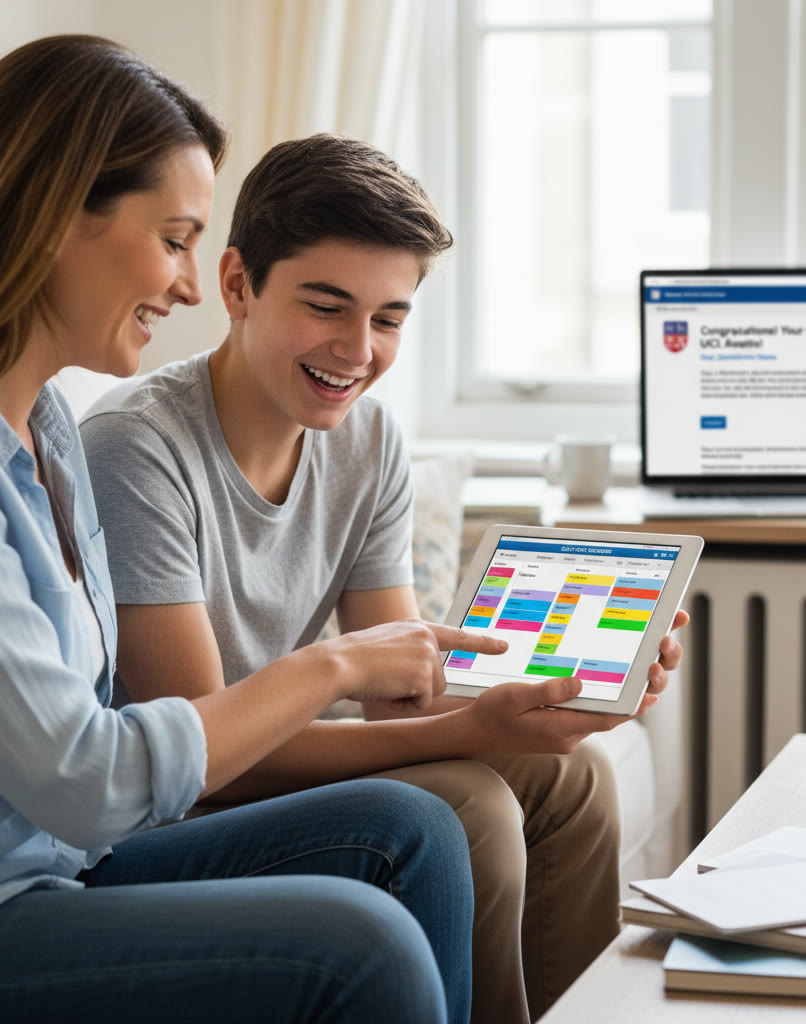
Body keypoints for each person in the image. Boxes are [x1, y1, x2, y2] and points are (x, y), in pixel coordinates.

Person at [80, 133, 689, 1023]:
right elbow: (205, 761)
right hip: (170, 800)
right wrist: (475, 731)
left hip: (255, 760)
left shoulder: (368, 441)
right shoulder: (135, 445)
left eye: (389, 319)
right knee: (471, 803)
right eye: (326, 307)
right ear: (240, 284)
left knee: (575, 775)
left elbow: (399, 698)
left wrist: (565, 690)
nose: (357, 350)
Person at [0, 34, 500, 1024]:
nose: (187, 286)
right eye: (175, 236)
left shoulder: (48, 430)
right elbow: (92, 778)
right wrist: (335, 666)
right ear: (60, 216)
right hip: (22, 891)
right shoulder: (119, 440)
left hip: (62, 866)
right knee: (364, 946)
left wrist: (519, 698)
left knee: (418, 827)